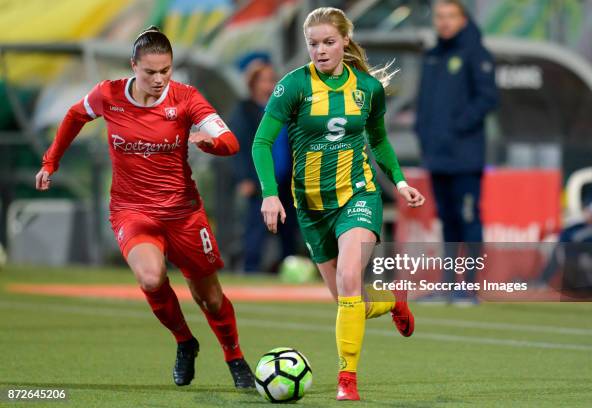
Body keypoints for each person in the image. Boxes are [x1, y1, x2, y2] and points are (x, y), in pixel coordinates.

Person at [35, 26, 255, 389]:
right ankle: (185, 341)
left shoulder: (185, 97)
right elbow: (75, 116)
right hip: (132, 209)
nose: (158, 79)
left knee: (210, 298)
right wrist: (50, 162)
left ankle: (234, 356)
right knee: (151, 277)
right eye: (150, 71)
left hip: (183, 212)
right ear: (133, 65)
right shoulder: (109, 94)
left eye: (165, 70)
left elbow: (230, 142)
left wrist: (208, 143)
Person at [252, 7, 425, 401]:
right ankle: (393, 301)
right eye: (313, 44)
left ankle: (347, 379)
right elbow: (262, 142)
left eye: (329, 42)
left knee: (349, 278)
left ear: (345, 40)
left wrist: (399, 182)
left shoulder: (367, 88)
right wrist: (269, 192)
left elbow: (378, 140)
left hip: (357, 195)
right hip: (311, 207)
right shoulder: (293, 86)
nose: (320, 50)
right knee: (350, 301)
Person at [414, 0, 497, 300]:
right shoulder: (433, 56)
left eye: (451, 16)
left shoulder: (476, 53)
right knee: (447, 220)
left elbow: (488, 98)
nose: (444, 22)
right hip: (437, 156)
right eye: (440, 16)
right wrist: (423, 133)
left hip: (465, 156)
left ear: (463, 19)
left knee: (469, 219)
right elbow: (423, 102)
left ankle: (470, 286)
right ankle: (448, 283)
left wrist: (456, 127)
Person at [230, 55, 297, 273]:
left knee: (289, 228)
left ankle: (289, 268)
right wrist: (244, 178)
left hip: (286, 179)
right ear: (253, 83)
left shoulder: (284, 109)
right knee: (256, 228)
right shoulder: (245, 110)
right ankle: (251, 269)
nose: (269, 85)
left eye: (272, 79)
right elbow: (237, 146)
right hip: (259, 181)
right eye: (264, 80)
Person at [541, 118, 592, 283]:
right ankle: (543, 281)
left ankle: (585, 284)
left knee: (576, 239)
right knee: (566, 233)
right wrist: (587, 208)